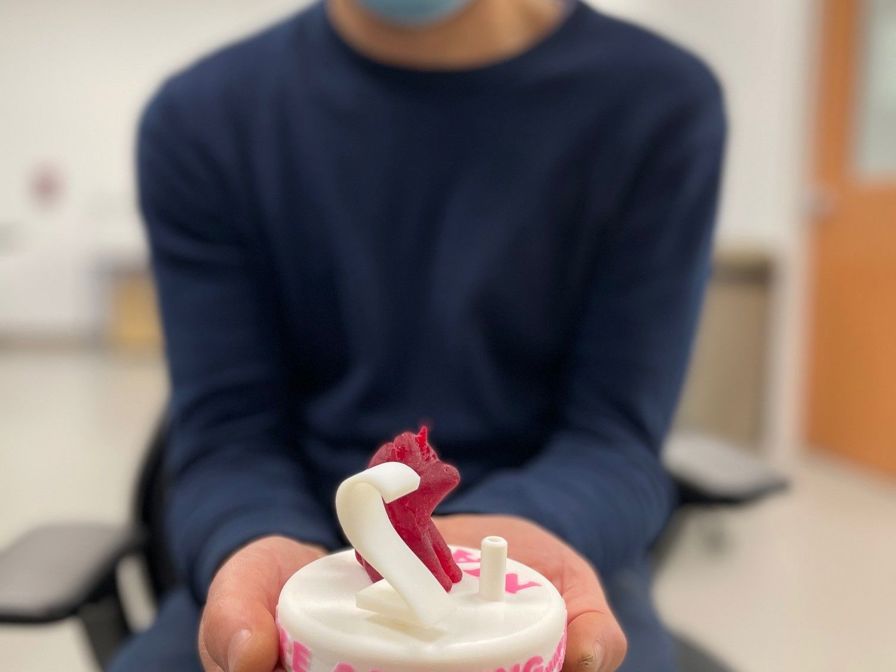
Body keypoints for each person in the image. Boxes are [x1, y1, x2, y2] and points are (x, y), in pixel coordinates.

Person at [112, 0, 725, 670]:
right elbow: (229, 436)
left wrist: (517, 539)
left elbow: (614, 438)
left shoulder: (656, 105)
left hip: (542, 549)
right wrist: (254, 544)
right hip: (284, 554)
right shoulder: (205, 120)